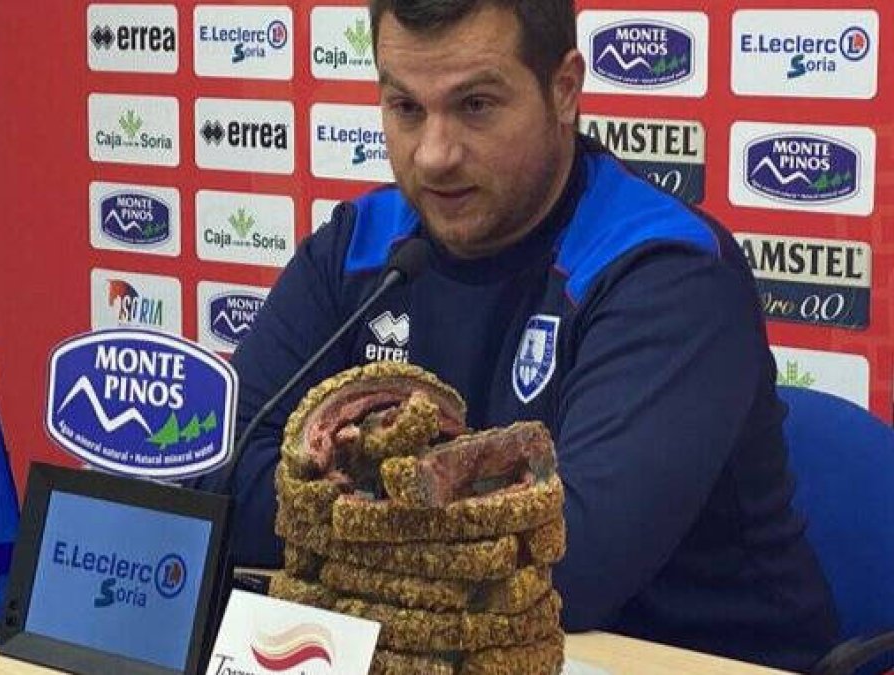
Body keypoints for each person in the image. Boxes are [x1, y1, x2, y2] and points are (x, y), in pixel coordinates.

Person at [196, 0, 838, 670]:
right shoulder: (359, 246)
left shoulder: (664, 269)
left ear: (563, 91)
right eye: (406, 108)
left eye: (475, 105)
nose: (435, 154)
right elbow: (222, 474)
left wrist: (331, 499)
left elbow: (568, 565)